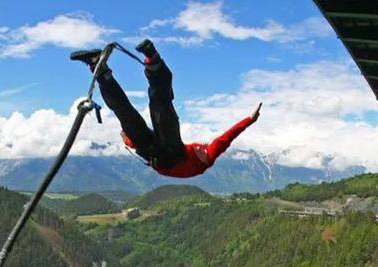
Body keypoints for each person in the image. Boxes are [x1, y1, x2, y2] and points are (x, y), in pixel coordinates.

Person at [70, 39, 261, 178]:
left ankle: (100, 70)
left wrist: (131, 140)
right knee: (161, 110)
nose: (203, 152)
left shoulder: (205, 158)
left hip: (162, 156)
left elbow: (226, 138)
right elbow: (225, 138)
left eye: (202, 154)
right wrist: (248, 120)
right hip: (165, 151)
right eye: (203, 152)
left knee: (127, 115)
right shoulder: (204, 152)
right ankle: (152, 59)